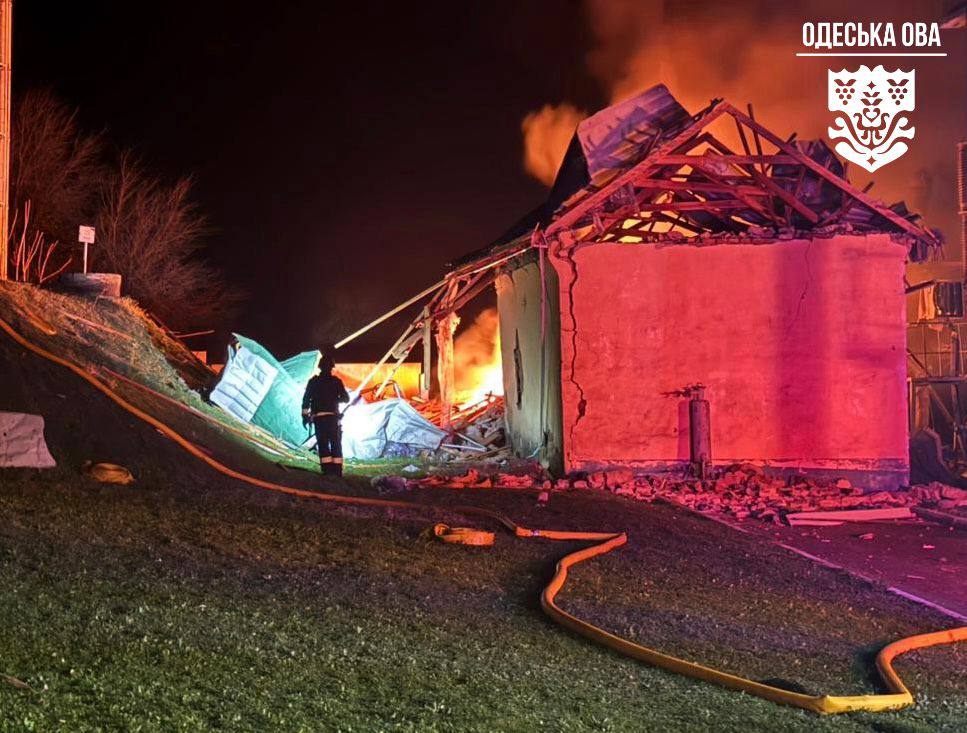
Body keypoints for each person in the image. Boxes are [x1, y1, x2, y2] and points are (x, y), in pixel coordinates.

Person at [302, 347, 349, 476]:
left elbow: (306, 400)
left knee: (322, 444)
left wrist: (305, 416)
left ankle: (327, 471)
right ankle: (337, 471)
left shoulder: (313, 381)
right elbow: (346, 398)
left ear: (320, 367)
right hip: (333, 418)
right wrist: (334, 399)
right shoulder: (336, 382)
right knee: (335, 443)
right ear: (332, 368)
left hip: (319, 419)